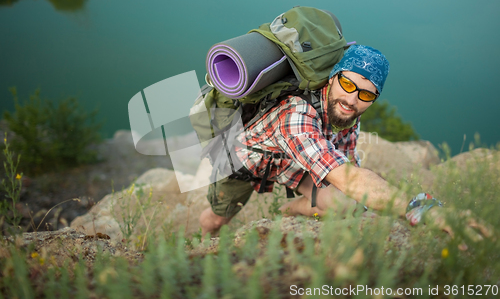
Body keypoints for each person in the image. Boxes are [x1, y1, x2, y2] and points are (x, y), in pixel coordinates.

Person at [198, 45, 489, 239]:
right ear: (331, 79)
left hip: (290, 162)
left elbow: (347, 167)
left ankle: (282, 215)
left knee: (346, 205)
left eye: (366, 94)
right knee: (216, 221)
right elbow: (349, 178)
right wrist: (422, 209)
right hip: (246, 161)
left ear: (374, 98)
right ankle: (204, 246)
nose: (352, 100)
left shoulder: (347, 112)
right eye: (348, 84)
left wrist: (362, 192)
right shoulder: (296, 116)